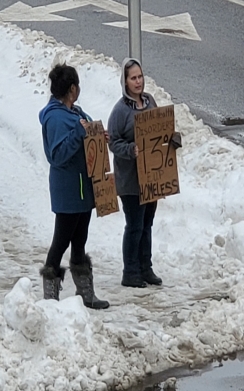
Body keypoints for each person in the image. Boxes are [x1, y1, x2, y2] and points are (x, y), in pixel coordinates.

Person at [38, 63, 109, 310]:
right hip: (68, 191)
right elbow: (57, 155)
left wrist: (98, 136)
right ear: (72, 89)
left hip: (83, 190)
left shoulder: (75, 112)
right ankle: (50, 297)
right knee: (61, 240)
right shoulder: (55, 118)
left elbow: (85, 136)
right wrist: (79, 134)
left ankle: (85, 293)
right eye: (77, 86)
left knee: (80, 240)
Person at [107, 57, 163, 288]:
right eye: (133, 78)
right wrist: (131, 149)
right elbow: (113, 142)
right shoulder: (120, 111)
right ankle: (130, 272)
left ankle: (145, 267)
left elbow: (160, 127)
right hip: (130, 179)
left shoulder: (150, 102)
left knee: (147, 223)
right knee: (135, 225)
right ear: (125, 82)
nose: (138, 82)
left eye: (140, 77)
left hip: (150, 177)